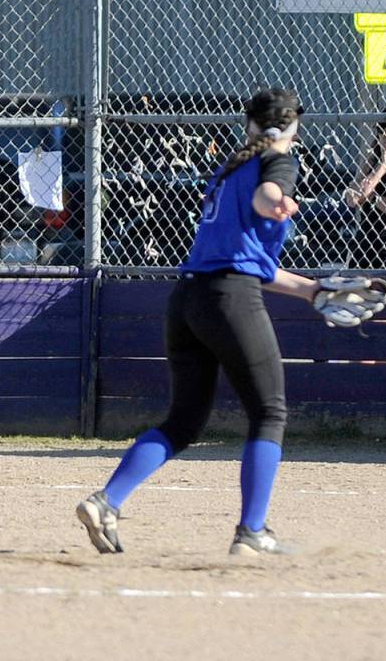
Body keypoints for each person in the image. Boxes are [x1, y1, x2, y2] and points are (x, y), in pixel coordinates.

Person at [74, 88, 365, 555]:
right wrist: (277, 202)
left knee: (185, 421)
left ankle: (106, 501)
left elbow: (248, 261)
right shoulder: (277, 160)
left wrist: (312, 290)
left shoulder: (228, 170)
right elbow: (270, 196)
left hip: (189, 299)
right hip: (230, 301)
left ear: (247, 123)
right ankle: (252, 532)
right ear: (293, 127)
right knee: (270, 413)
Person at [344, 105, 386, 268]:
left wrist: (373, 198)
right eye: (383, 130)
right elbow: (352, 198)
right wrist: (381, 168)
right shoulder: (371, 160)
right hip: (366, 244)